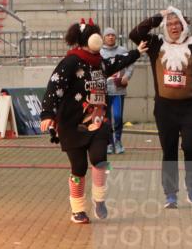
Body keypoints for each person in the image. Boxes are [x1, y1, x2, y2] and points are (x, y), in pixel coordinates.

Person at [39, 20, 145, 224]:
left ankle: (100, 199)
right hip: (72, 124)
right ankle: (78, 209)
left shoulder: (100, 61)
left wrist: (136, 53)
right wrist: (47, 114)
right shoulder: (70, 62)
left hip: (98, 120)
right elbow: (54, 87)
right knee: (78, 168)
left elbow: (116, 63)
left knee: (100, 160)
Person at [129, 7, 192, 209]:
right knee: (169, 151)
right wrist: (158, 16)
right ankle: (170, 194)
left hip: (191, 108)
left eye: (177, 23)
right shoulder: (156, 44)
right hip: (165, 108)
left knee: (190, 147)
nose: (173, 27)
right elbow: (135, 34)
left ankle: (191, 184)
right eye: (169, 24)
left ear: (183, 25)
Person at [100, 27, 134, 155]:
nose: (110, 37)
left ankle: (118, 141)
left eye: (112, 35)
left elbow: (131, 63)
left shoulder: (123, 50)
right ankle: (109, 143)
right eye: (108, 35)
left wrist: (127, 76)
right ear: (104, 37)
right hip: (104, 91)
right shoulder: (100, 52)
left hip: (118, 90)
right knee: (106, 119)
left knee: (118, 117)